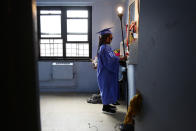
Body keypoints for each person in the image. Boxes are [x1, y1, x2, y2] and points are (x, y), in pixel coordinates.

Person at [96, 27, 127, 114]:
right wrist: (120, 59)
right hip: (105, 72)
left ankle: (107, 104)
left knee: (109, 88)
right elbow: (109, 60)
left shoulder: (106, 47)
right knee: (106, 89)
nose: (112, 39)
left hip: (107, 72)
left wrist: (118, 58)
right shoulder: (103, 48)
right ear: (106, 38)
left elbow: (112, 57)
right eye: (111, 37)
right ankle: (105, 108)